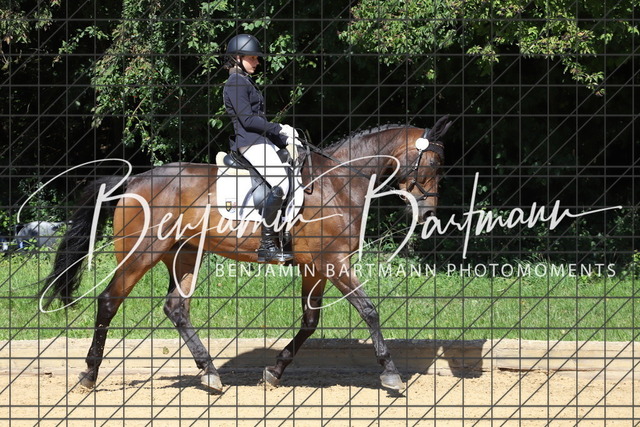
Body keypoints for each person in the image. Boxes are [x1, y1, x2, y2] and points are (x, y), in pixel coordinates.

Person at [222, 34, 296, 263]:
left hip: (261, 141)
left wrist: (282, 138)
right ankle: (267, 246)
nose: (257, 62)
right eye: (252, 58)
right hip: (250, 143)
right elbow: (248, 120)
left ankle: (286, 231)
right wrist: (278, 128)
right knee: (281, 183)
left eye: (256, 58)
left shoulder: (245, 81)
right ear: (237, 58)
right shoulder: (235, 83)